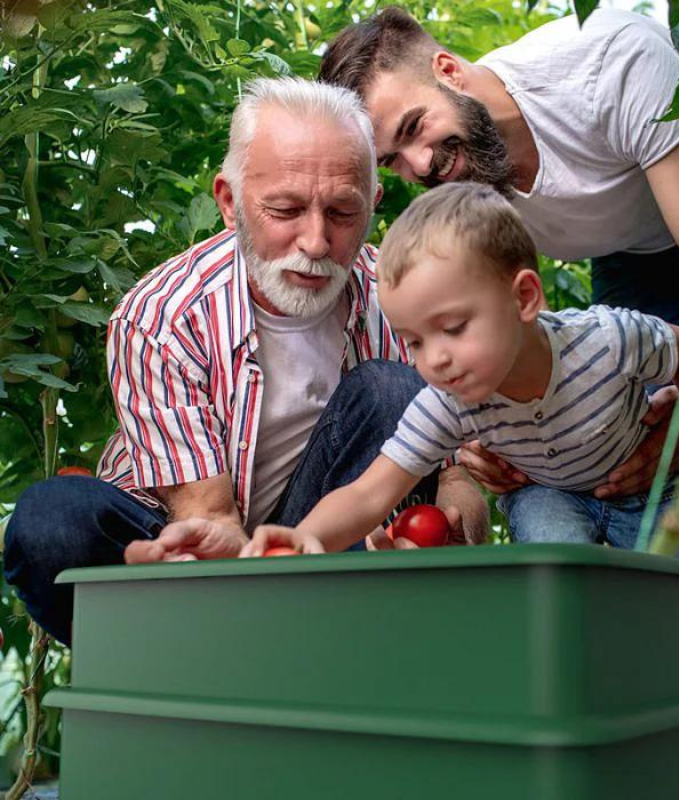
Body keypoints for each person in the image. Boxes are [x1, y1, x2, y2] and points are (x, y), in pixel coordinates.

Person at [319, 7, 679, 779]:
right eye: (396, 161)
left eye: (414, 128)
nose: (419, 164)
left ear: (447, 69)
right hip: (628, 248)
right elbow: (505, 329)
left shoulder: (609, 63)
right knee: (648, 443)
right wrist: (485, 446)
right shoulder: (467, 188)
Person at [3, 77, 488, 647]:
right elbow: (206, 515)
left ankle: (319, 645)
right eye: (284, 209)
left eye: (341, 212)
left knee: (389, 388)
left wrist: (460, 512)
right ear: (229, 202)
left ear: (373, 204)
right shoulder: (162, 315)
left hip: (319, 547)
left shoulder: (398, 297)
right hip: (183, 541)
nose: (315, 241)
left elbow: (451, 466)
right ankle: (166, 666)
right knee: (51, 522)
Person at [242, 183, 679, 559]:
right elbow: (370, 491)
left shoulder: (608, 339)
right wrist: (307, 535)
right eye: (415, 341)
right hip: (546, 493)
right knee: (559, 573)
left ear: (524, 297)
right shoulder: (448, 401)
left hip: (644, 492)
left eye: (454, 327)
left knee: (677, 590)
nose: (433, 359)